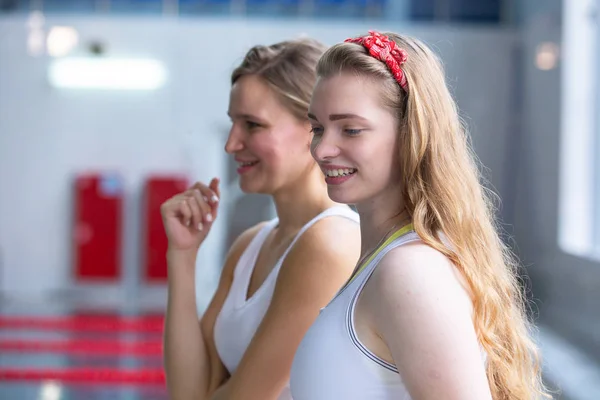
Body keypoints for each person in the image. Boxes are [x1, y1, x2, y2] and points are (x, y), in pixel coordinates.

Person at [290, 31, 550, 400]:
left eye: (350, 129)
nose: (322, 149)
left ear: (412, 134)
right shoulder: (381, 261)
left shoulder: (410, 271)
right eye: (318, 128)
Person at [162, 38, 361, 400]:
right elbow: (188, 392)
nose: (231, 143)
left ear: (313, 129)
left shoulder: (330, 243)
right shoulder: (250, 245)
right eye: (233, 123)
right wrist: (182, 256)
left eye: (252, 125)